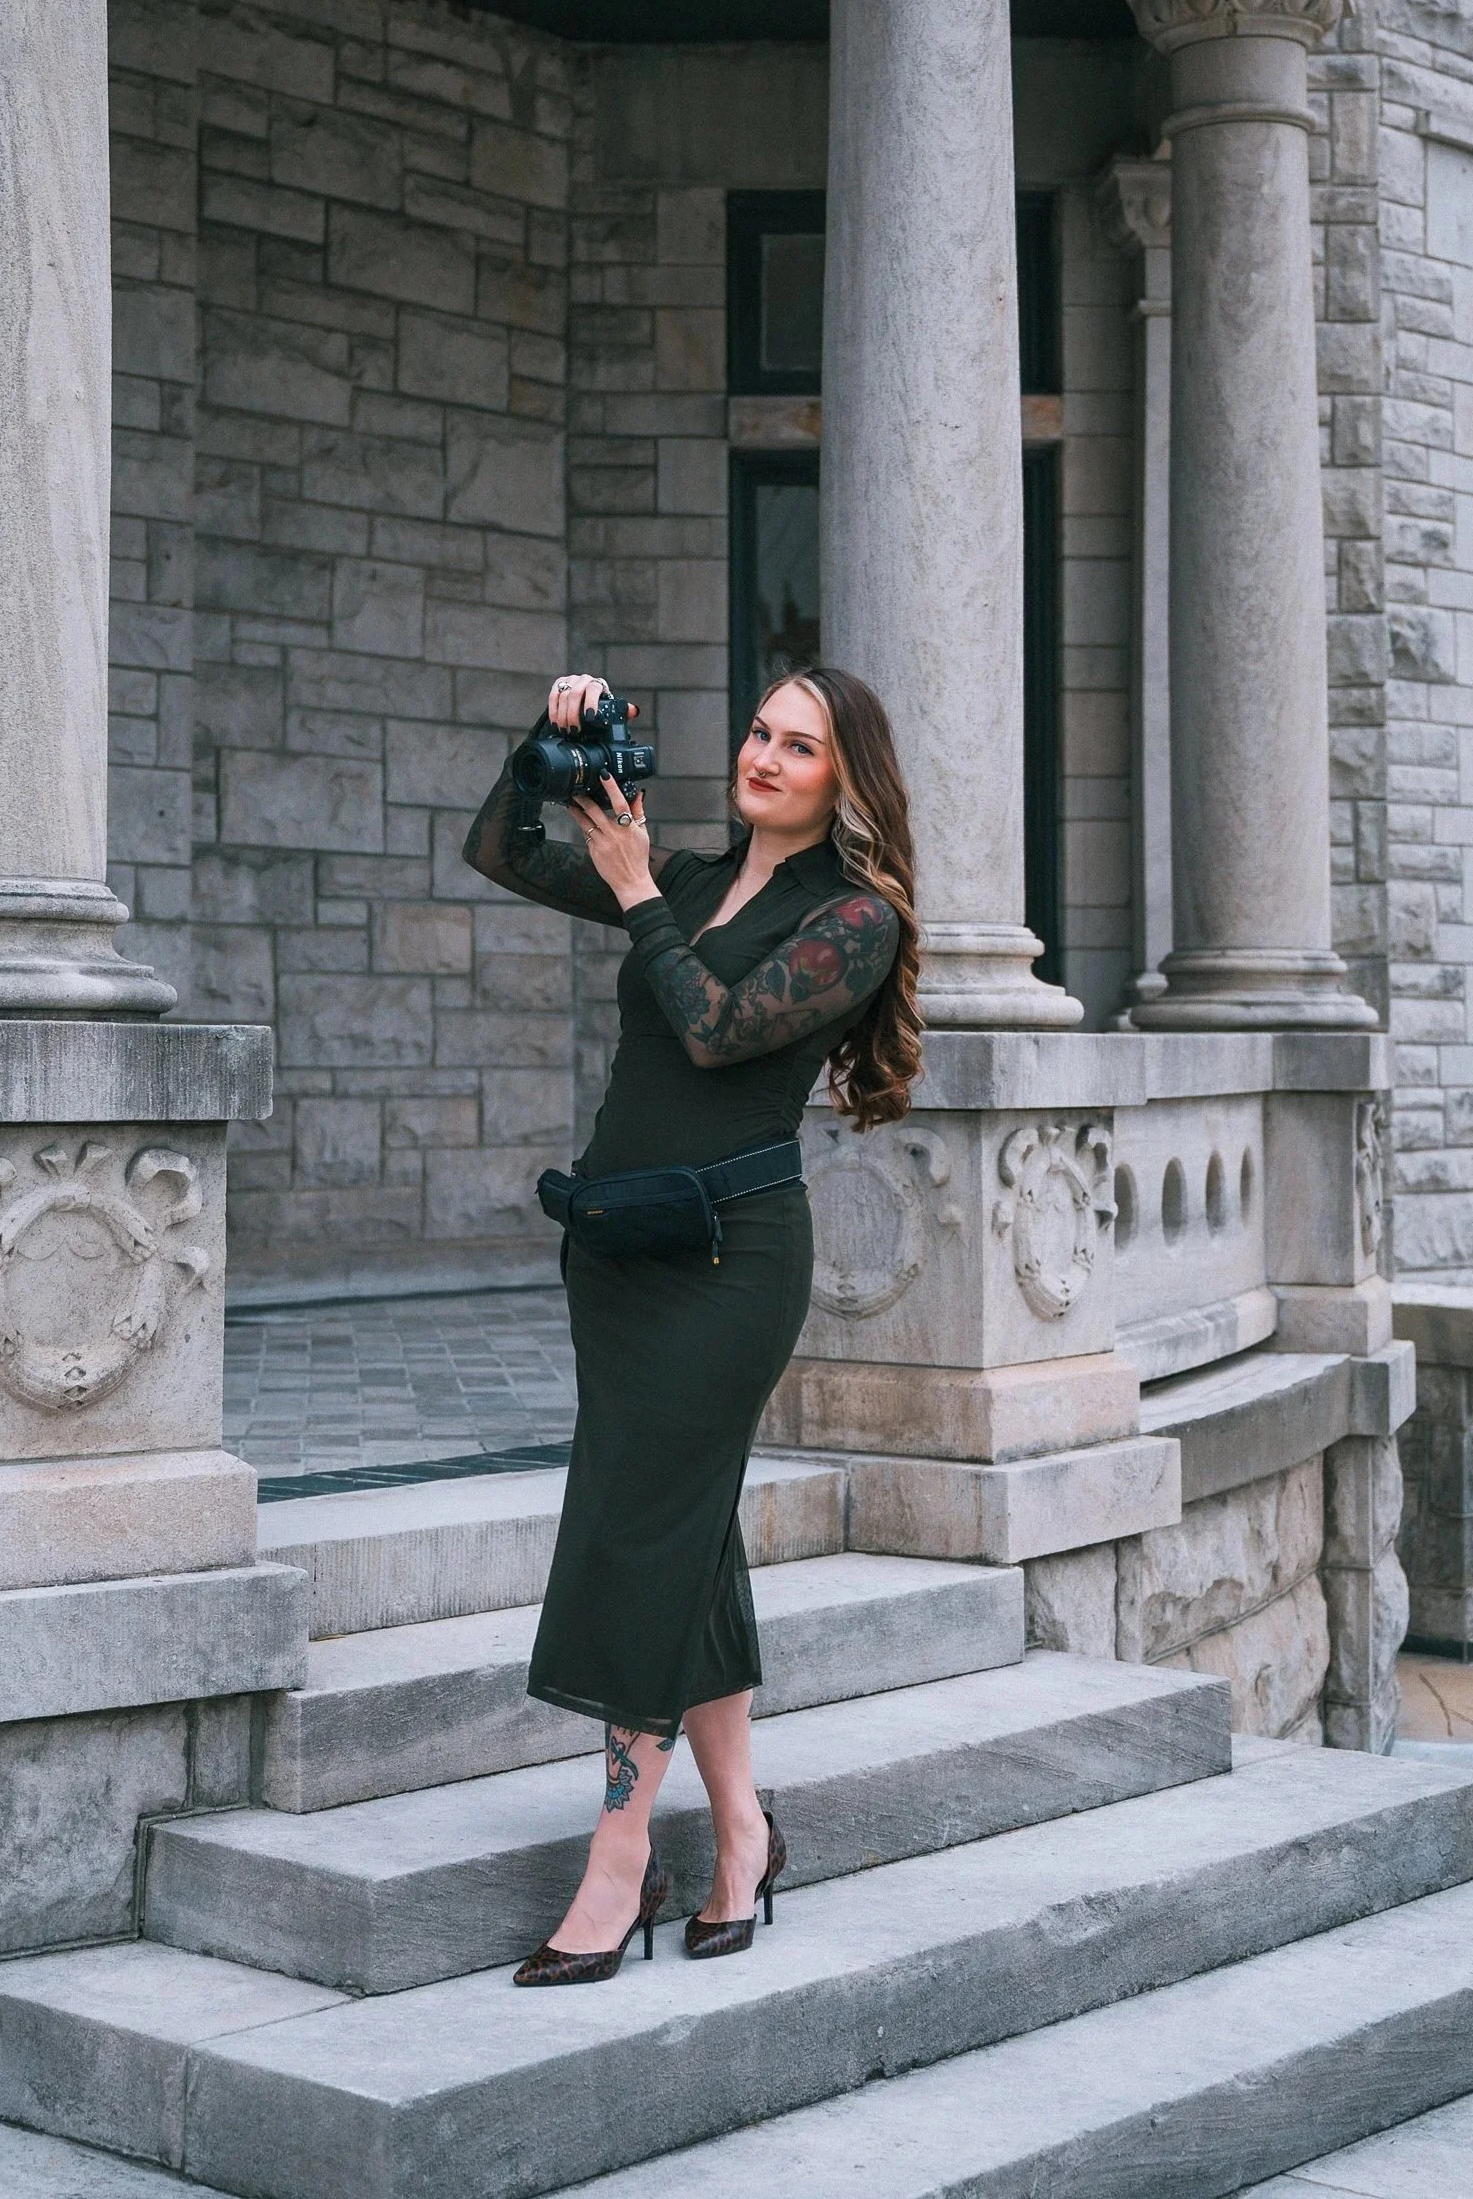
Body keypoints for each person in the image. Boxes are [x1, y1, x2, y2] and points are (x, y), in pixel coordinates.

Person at [462, 664, 923, 1982]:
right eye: (760, 732)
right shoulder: (685, 872)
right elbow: (499, 847)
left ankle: (619, 1861)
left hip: (730, 1264)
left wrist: (640, 896)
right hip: (619, 1252)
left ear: (847, 777)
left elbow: (719, 1033)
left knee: (639, 1537)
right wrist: (543, 739)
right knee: (683, 1539)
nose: (766, 756)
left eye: (801, 744)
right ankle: (740, 1833)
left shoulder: (854, 918)